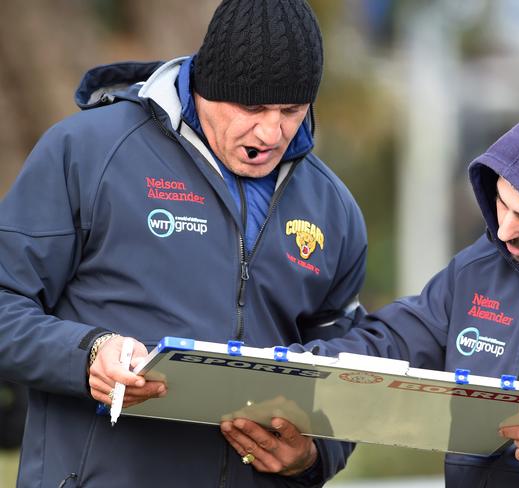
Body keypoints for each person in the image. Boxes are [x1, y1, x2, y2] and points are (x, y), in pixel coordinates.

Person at [0, 0, 367, 486]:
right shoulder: (87, 153)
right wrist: (86, 354)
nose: (272, 131)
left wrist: (316, 452)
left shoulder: (334, 209)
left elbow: (348, 362)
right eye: (253, 107)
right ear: (204, 86)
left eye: (292, 110)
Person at [284, 98, 519, 487]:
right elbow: (393, 342)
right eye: (501, 201)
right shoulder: (481, 264)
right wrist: (294, 371)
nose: (505, 229)